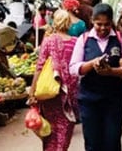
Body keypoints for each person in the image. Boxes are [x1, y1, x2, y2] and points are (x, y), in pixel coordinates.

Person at [70, 3, 122, 151]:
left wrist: (111, 71)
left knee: (112, 141)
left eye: (107, 24)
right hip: (89, 101)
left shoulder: (121, 39)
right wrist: (92, 64)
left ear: (112, 22)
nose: (103, 28)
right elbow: (73, 68)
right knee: (92, 142)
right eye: (99, 24)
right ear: (92, 21)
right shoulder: (84, 39)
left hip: (114, 101)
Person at [27, 10, 80, 151]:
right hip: (69, 93)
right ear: (69, 24)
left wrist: (32, 91)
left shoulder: (49, 41)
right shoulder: (76, 43)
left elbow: (39, 66)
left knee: (50, 129)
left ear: (54, 23)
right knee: (65, 127)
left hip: (50, 93)